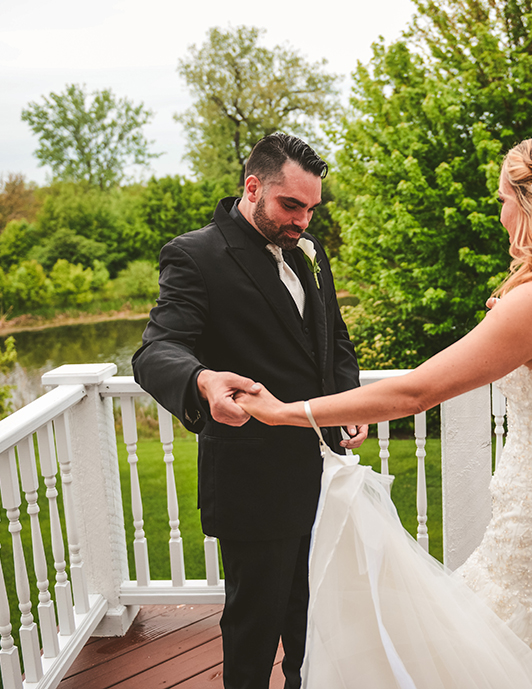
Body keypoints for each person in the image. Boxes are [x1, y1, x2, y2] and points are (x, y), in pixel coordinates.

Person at [237, 131, 532, 688]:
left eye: (501, 200)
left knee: (491, 657)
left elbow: (415, 392)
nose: (498, 214)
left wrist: (284, 412)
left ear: (529, 203)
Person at [132, 132, 368, 689]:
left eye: (311, 208)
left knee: (317, 624)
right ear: (253, 187)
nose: (303, 222)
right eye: (292, 206)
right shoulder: (196, 255)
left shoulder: (309, 250)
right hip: (254, 484)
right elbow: (155, 350)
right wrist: (202, 379)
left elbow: (332, 341)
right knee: (254, 631)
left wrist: (346, 398)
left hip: (325, 477)